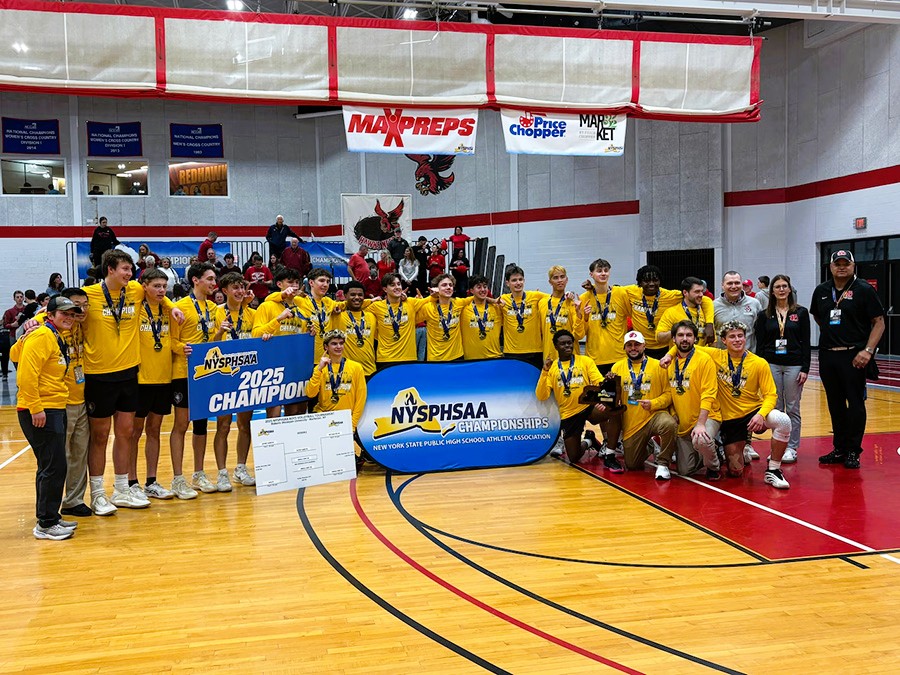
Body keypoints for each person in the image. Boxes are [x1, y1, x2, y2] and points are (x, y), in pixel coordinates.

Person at [81, 249, 183, 515]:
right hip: (98, 375)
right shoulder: (89, 294)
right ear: (110, 270)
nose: (130, 274)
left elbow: (159, 294)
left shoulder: (136, 290)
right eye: (125, 269)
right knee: (100, 436)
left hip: (129, 375)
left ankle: (122, 489)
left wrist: (172, 308)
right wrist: (35, 322)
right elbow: (54, 309)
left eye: (131, 270)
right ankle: (98, 493)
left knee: (126, 433)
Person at [14, 296, 83, 540]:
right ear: (50, 315)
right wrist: (35, 408)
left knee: (51, 465)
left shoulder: (54, 335)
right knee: (53, 466)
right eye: (64, 313)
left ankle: (50, 517)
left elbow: (15, 351)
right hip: (41, 409)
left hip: (53, 406)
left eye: (73, 314)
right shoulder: (42, 335)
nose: (69, 318)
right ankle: (45, 524)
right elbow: (25, 375)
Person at [811, 250, 885, 469]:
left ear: (853, 266)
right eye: (837, 264)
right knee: (834, 404)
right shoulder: (822, 291)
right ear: (831, 267)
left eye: (846, 263)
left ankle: (853, 450)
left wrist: (868, 350)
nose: (841, 267)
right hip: (827, 354)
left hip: (854, 356)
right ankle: (840, 448)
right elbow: (818, 316)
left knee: (855, 403)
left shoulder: (864, 289)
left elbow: (879, 322)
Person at [129, 269, 186, 500]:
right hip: (140, 379)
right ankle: (131, 482)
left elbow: (173, 341)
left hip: (164, 379)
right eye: (156, 286)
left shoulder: (168, 311)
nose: (161, 290)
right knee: (135, 432)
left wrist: (183, 348)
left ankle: (151, 481)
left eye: (164, 286)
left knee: (155, 430)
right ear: (144, 286)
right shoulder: (135, 308)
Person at [170, 261, 223, 493]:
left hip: (207, 374)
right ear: (195, 280)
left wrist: (220, 333)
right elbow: (170, 340)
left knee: (201, 425)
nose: (214, 283)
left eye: (214, 279)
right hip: (183, 374)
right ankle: (177, 478)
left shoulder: (213, 309)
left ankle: (198, 474)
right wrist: (181, 347)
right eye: (210, 279)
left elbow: (213, 344)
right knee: (181, 425)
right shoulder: (179, 307)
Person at [535, 329, 623, 469]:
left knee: (614, 410)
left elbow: (599, 382)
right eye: (563, 344)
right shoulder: (552, 369)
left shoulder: (585, 361)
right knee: (574, 457)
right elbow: (542, 395)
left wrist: (603, 398)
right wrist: (544, 372)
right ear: (556, 346)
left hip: (588, 407)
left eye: (570, 343)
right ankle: (589, 440)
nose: (568, 346)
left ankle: (610, 453)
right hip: (569, 414)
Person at [754, 275, 810, 464]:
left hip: (794, 364)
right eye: (777, 286)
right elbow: (760, 345)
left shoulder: (801, 312)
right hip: (771, 364)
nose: (781, 289)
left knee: (793, 407)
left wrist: (805, 368)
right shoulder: (764, 315)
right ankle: (778, 448)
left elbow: (806, 343)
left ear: (789, 289)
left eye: (784, 286)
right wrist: (761, 369)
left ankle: (792, 448)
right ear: (772, 291)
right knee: (776, 408)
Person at [608, 331, 677, 479]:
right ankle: (651, 445)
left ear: (644, 345)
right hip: (632, 423)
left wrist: (653, 403)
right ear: (624, 348)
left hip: (654, 415)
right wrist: (607, 389)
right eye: (629, 345)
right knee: (632, 465)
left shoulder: (658, 366)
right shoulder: (616, 367)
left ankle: (663, 463)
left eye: (637, 344)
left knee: (669, 424)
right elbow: (613, 397)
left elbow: (668, 394)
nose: (633, 348)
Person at [661, 320, 722, 480]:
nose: (685, 339)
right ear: (673, 339)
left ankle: (714, 465)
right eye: (680, 335)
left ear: (695, 338)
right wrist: (673, 413)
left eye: (689, 335)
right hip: (684, 424)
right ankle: (711, 448)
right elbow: (669, 393)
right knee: (684, 471)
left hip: (708, 417)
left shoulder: (704, 359)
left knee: (701, 438)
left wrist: (701, 423)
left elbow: (709, 394)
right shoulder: (669, 363)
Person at [212, 273, 257, 488]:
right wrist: (220, 331)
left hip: (246, 376)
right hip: (223, 376)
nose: (239, 291)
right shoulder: (215, 312)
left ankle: (241, 468)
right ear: (224, 291)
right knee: (223, 425)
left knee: (244, 424)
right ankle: (222, 473)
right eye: (234, 288)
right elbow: (208, 345)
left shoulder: (254, 314)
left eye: (242, 287)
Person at [251, 267, 314, 418]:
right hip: (273, 366)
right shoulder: (267, 306)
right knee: (274, 414)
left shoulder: (302, 308)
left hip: (296, 365)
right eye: (290, 282)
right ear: (279, 284)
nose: (295, 286)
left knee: (296, 413)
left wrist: (310, 332)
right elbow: (255, 334)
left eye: (297, 282)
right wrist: (277, 320)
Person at [623, 265, 714, 360]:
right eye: (646, 281)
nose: (651, 284)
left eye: (655, 280)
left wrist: (709, 324)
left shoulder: (671, 296)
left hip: (664, 348)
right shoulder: (631, 292)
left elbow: (705, 300)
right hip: (641, 346)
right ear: (640, 282)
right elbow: (613, 290)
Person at [366, 273, 429, 370]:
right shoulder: (376, 307)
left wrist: (421, 299)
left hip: (408, 358)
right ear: (385, 289)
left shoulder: (410, 303)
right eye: (392, 285)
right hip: (385, 359)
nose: (397, 287)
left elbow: (432, 299)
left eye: (399, 284)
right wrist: (370, 301)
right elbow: (359, 313)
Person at [578, 259, 630, 376]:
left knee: (620, 393)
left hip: (619, 356)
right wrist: (585, 317)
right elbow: (581, 333)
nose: (603, 273)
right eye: (599, 271)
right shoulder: (584, 298)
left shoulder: (621, 293)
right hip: (595, 358)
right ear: (591, 274)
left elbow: (632, 315)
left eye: (606, 270)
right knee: (598, 393)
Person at [306, 330, 367, 429]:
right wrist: (319, 369)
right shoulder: (321, 368)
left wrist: (352, 424)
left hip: (346, 419)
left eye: (341, 343)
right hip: (324, 418)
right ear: (326, 347)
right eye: (334, 344)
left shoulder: (356, 367)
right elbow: (310, 393)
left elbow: (361, 399)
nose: (338, 347)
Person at [500, 265, 549, 370]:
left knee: (534, 383)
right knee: (514, 383)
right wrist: (494, 301)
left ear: (524, 280)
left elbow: (555, 297)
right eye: (514, 280)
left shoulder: (536, 296)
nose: (518, 283)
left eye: (520, 279)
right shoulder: (503, 299)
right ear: (507, 283)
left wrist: (569, 294)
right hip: (512, 352)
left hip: (534, 351)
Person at [328, 281, 376, 378]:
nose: (357, 298)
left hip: (370, 371)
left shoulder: (372, 316)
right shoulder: (337, 315)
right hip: (345, 372)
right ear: (345, 296)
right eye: (353, 295)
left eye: (360, 295)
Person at [538, 266, 583, 362]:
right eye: (555, 278)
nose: (559, 280)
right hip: (549, 358)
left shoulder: (572, 303)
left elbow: (579, 335)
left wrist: (579, 314)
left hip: (571, 359)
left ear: (566, 280)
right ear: (550, 282)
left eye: (562, 277)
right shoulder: (542, 303)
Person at [655, 276, 715, 347]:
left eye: (702, 291)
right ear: (685, 292)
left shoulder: (705, 309)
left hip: (702, 356)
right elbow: (659, 338)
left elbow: (713, 341)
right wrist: (677, 330)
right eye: (697, 292)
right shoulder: (672, 312)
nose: (701, 295)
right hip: (680, 356)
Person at [713, 271, 762, 351]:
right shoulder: (714, 306)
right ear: (722, 285)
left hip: (749, 358)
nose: (734, 286)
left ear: (741, 285)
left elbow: (760, 332)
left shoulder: (754, 304)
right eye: (729, 283)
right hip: (722, 359)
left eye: (737, 283)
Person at [461, 275, 503, 360]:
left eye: (485, 286)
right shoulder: (463, 309)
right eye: (479, 287)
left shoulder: (497, 308)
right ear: (471, 290)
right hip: (471, 360)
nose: (483, 290)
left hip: (494, 358)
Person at [1, 290, 26, 379]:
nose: (19, 299)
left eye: (21, 297)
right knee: (15, 355)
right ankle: (19, 372)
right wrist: (12, 325)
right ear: (14, 299)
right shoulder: (9, 311)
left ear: (23, 298)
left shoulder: (27, 309)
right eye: (17, 297)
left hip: (26, 335)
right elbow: (4, 324)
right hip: (13, 335)